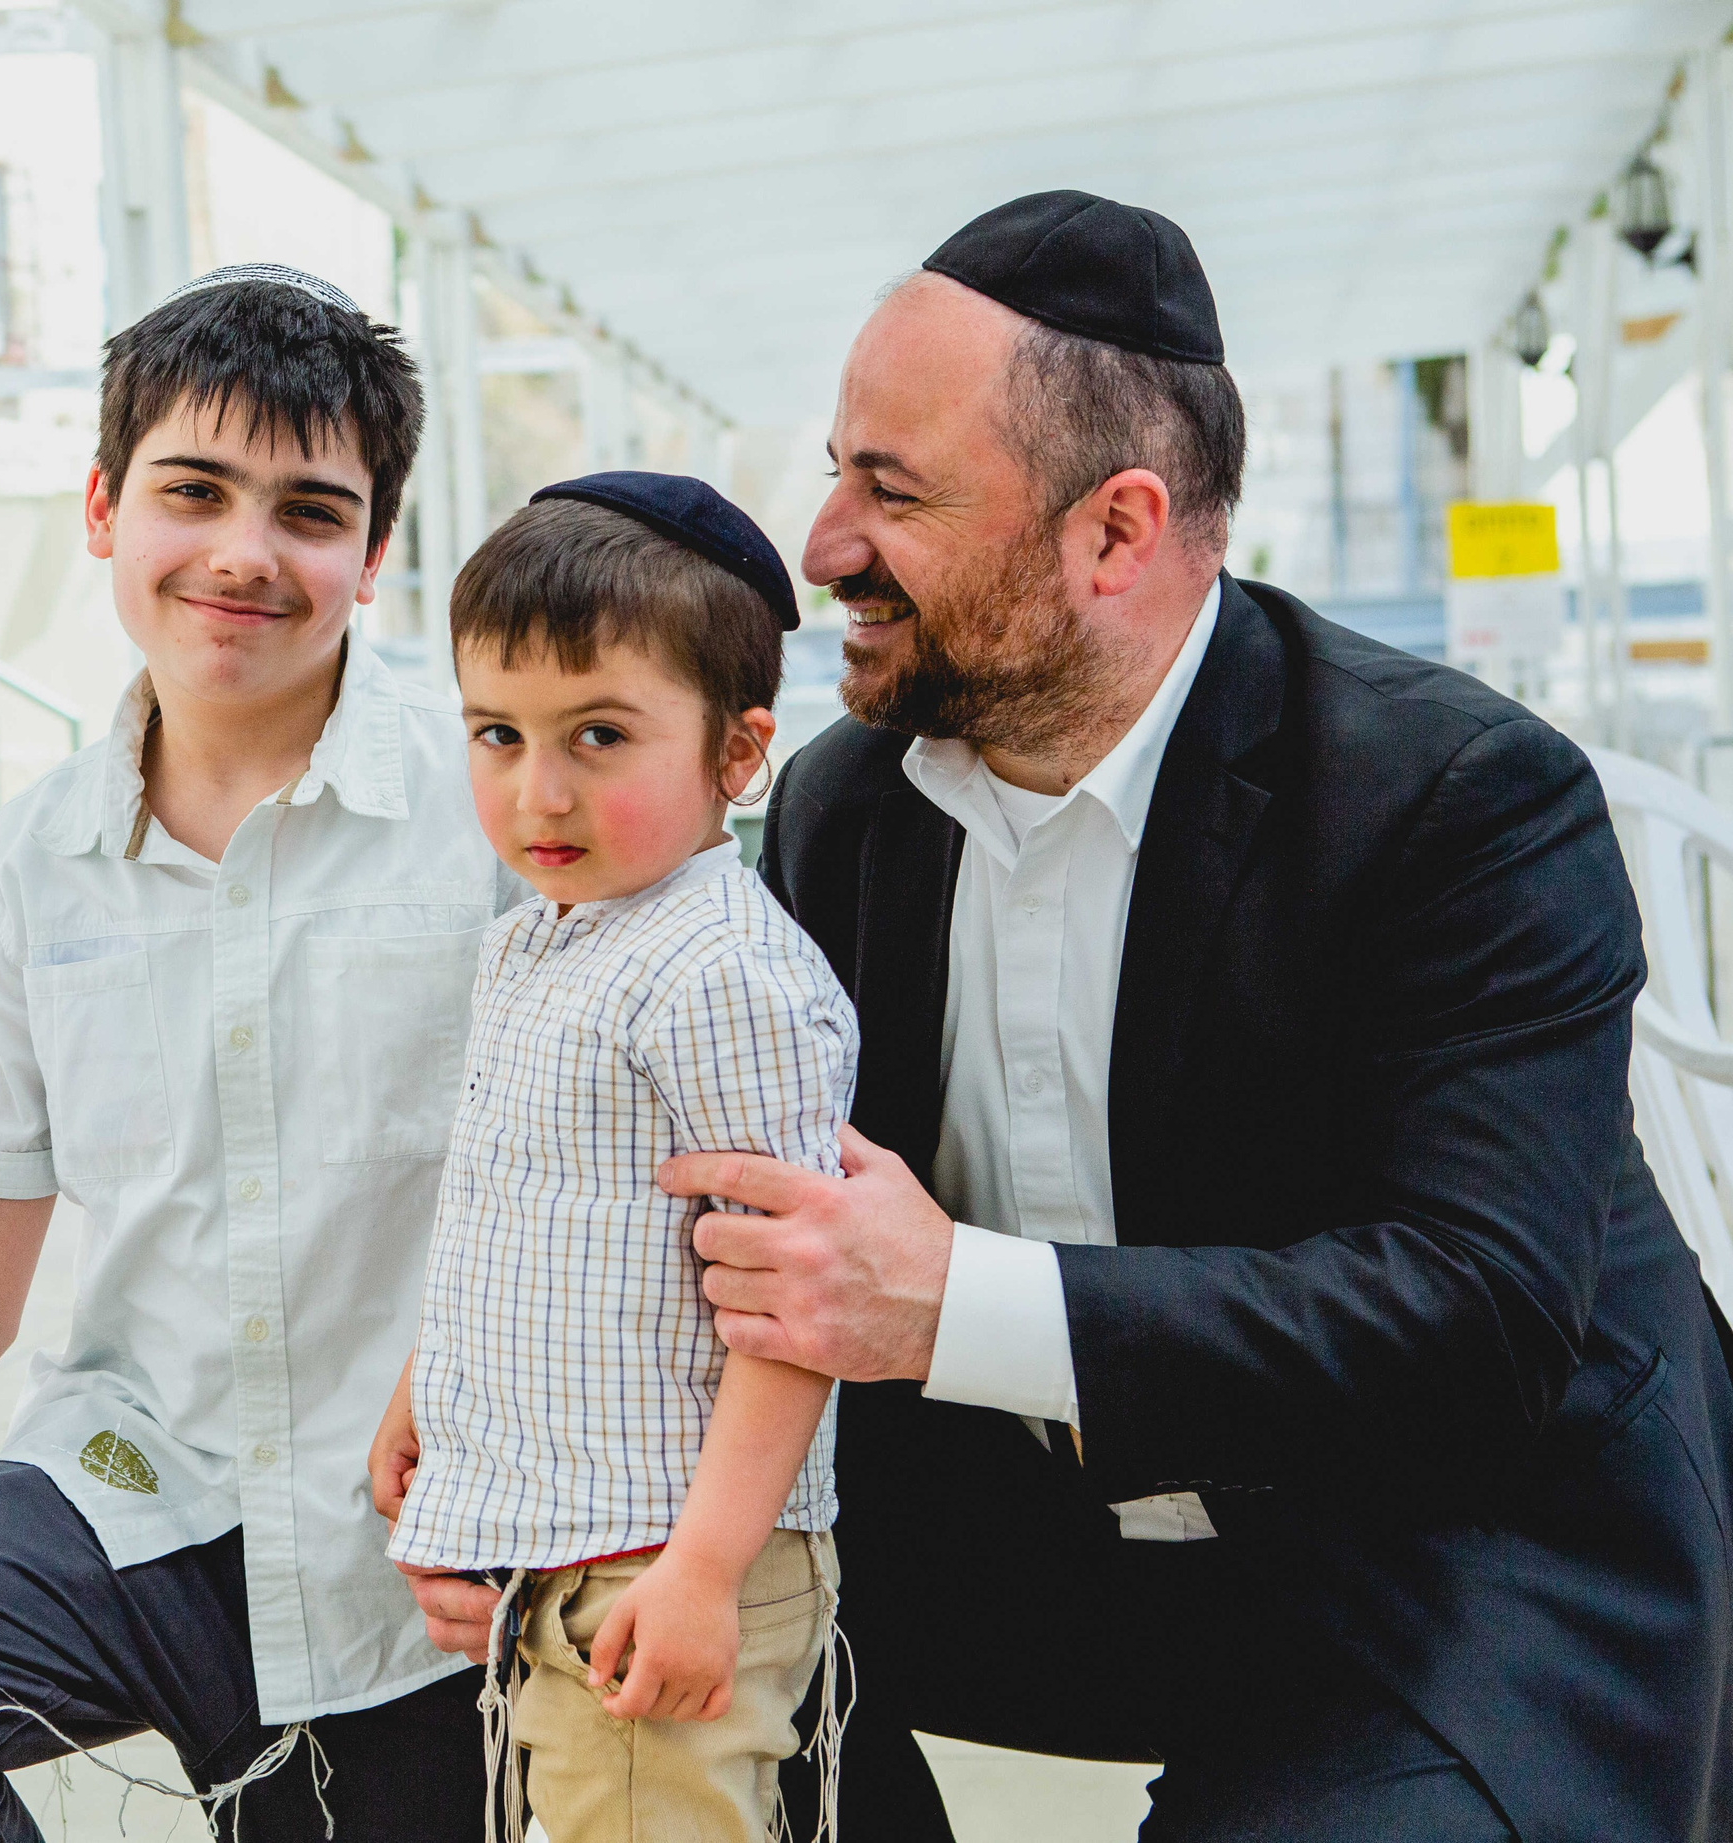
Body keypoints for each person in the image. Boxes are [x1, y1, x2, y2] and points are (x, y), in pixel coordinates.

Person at [406, 191, 1733, 1841]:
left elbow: (1481, 1324)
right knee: (580, 1693)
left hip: (1441, 1553)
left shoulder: (1458, 798)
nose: (819, 545)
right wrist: (516, 1476)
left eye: (888, 490)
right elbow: (731, 1227)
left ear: (1116, 532)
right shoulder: (841, 804)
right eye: (835, 471)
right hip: (1010, 1542)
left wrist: (952, 1301)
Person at [0, 264, 526, 1843]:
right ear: (103, 508)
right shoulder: (38, 857)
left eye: (312, 512)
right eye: (193, 491)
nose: (244, 555)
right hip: (143, 1497)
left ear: (376, 555)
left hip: (412, 1541)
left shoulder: (498, 823)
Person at [370, 474, 855, 1843]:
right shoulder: (542, 936)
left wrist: (704, 1572)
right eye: (496, 734)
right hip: (569, 1545)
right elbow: (515, 1201)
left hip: (669, 1553)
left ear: (737, 752)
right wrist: (429, 1394)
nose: (539, 790)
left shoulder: (722, 974)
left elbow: (795, 1309)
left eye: (598, 735)